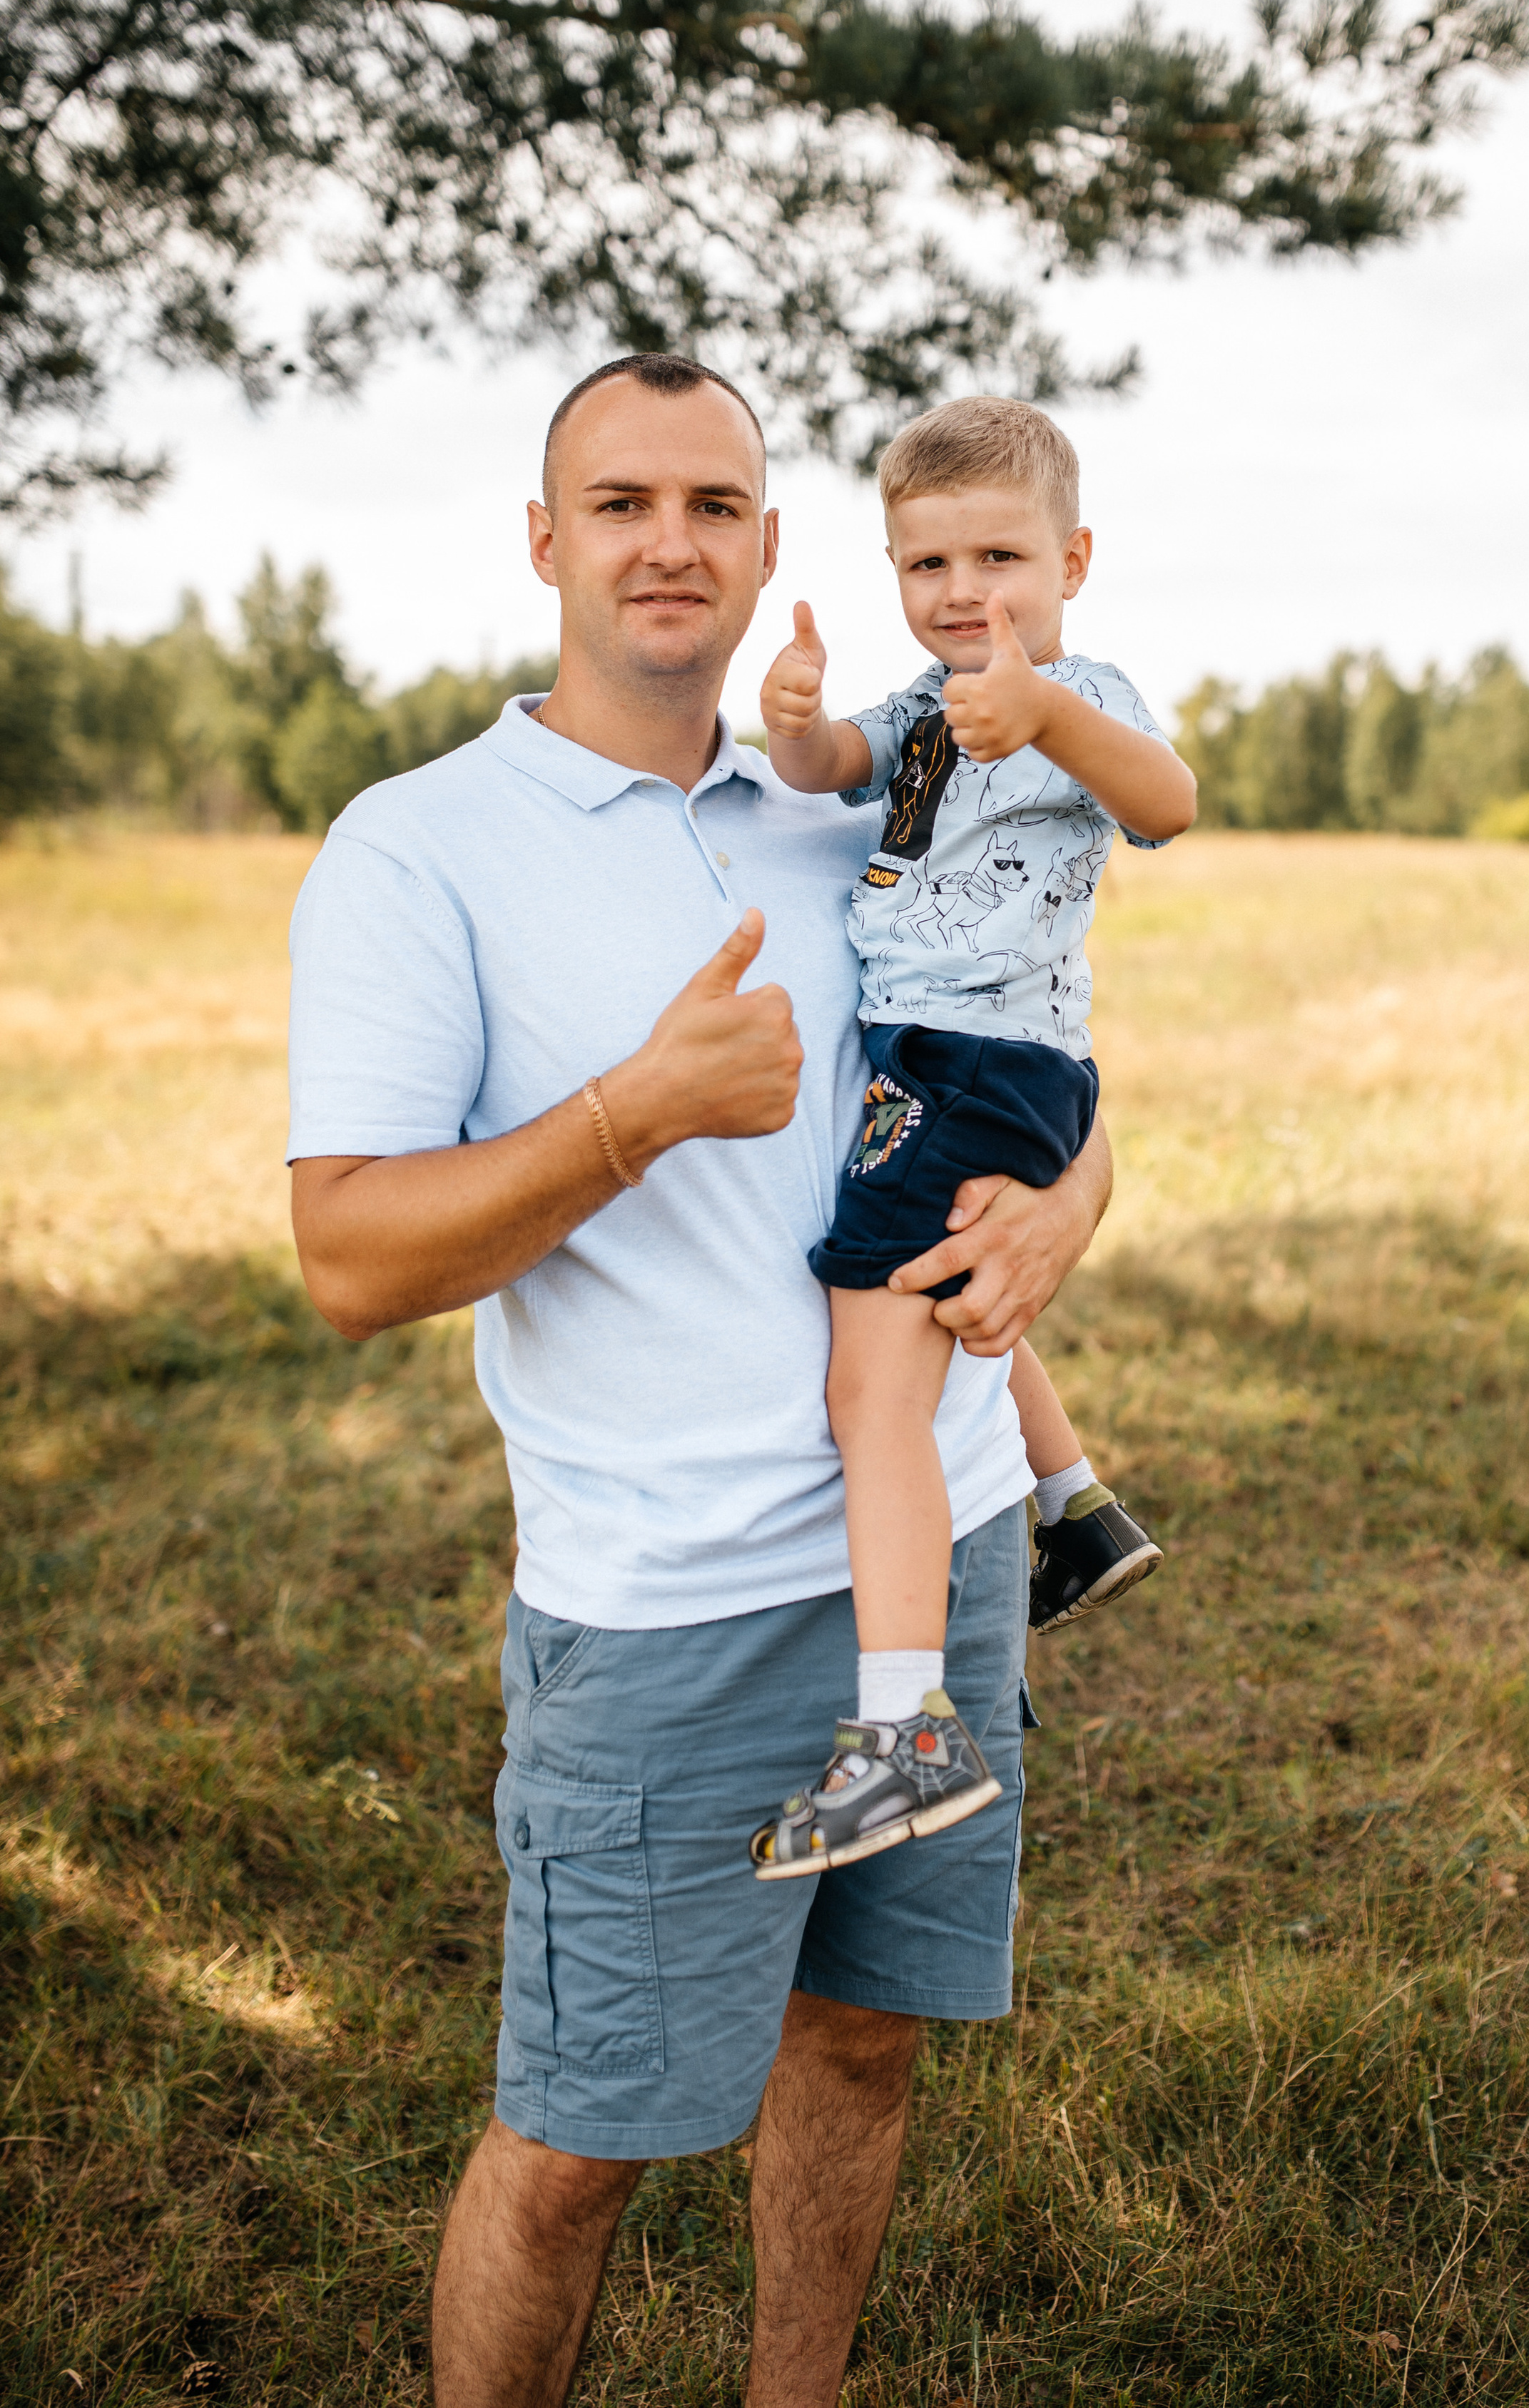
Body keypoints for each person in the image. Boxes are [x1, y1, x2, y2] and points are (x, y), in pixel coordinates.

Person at [286, 352, 1113, 2408]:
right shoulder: (417, 851)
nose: (673, 541)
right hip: (664, 1607)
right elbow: (345, 1258)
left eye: (717, 504)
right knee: (580, 2142)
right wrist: (631, 1114)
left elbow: (1041, 1069)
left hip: (939, 1554)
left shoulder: (863, 810)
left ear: (765, 548)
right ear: (545, 540)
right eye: (625, 501)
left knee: (858, 2040)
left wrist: (1075, 1205)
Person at [746, 399, 1197, 1879]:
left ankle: (902, 1733)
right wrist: (800, 718)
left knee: (868, 1386)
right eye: (924, 562)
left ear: (1068, 557)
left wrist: (1051, 715)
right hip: (943, 1065)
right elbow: (827, 776)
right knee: (945, 1280)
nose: (961, 592)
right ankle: (1074, 1508)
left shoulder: (1079, 688)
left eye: (997, 555)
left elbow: (1169, 804)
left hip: (983, 1060)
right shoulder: (920, 706)